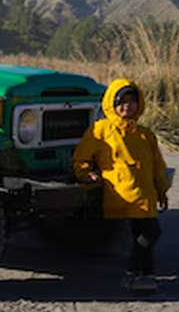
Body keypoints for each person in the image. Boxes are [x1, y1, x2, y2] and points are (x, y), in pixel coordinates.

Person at [73, 78, 171, 293]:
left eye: (132, 101)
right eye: (122, 101)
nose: (127, 106)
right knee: (146, 233)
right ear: (112, 104)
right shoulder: (101, 130)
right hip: (121, 193)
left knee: (148, 233)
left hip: (145, 194)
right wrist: (85, 174)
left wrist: (162, 191)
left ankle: (141, 274)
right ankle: (138, 274)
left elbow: (157, 166)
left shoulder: (145, 134)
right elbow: (81, 157)